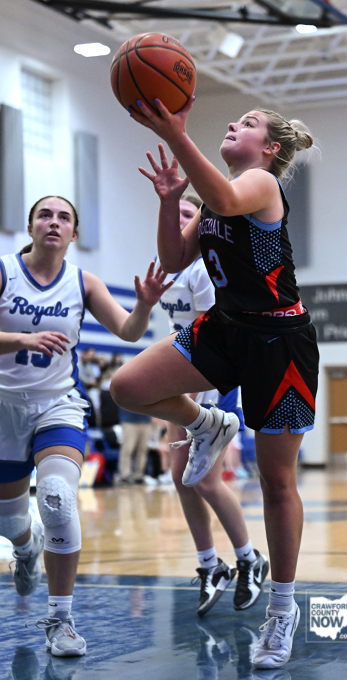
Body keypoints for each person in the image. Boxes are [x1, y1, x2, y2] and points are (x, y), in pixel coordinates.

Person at [111, 100, 319, 669]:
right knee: (128, 387)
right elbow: (174, 257)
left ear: (270, 149)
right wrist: (168, 201)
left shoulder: (261, 185)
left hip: (279, 341)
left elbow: (226, 201)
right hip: (225, 329)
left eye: (248, 123)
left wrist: (178, 135)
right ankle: (209, 423)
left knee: (277, 482)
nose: (233, 124)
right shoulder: (212, 200)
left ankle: (282, 610)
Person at [0, 195, 168, 657]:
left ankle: (60, 620)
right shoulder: (5, 272)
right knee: (10, 520)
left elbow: (129, 332)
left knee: (56, 498)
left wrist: (145, 306)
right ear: (30, 227)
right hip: (4, 407)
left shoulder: (82, 282)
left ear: (74, 234)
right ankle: (26, 546)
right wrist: (23, 339)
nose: (53, 223)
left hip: (58, 404)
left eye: (64, 218)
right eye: (44, 215)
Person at [157, 192, 269, 616]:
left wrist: (184, 394)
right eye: (176, 212)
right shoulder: (165, 265)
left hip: (211, 377)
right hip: (181, 373)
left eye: (190, 214)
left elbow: (212, 332)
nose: (181, 220)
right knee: (180, 477)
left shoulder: (204, 266)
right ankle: (210, 564)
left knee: (204, 480)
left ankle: (249, 558)